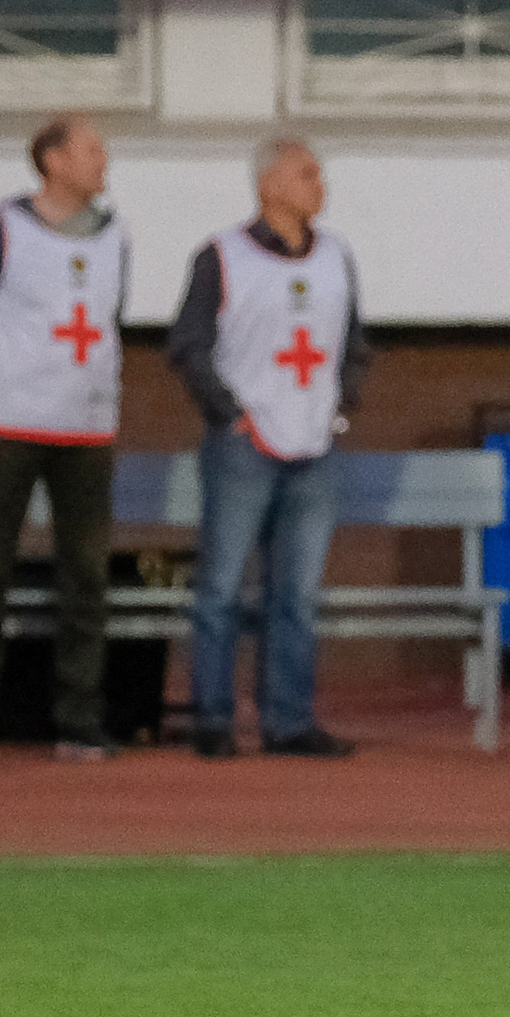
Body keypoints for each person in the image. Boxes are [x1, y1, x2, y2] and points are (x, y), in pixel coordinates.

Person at [167, 138, 369, 760]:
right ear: (270, 185)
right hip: (245, 446)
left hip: (315, 444)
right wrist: (229, 415)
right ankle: (213, 718)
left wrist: (342, 402)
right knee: (221, 588)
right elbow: (188, 344)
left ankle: (288, 720)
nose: (320, 185)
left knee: (297, 595)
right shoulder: (222, 257)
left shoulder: (336, 256)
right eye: (307, 174)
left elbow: (353, 341)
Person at [0, 114, 129, 765]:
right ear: (53, 160)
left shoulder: (116, 236)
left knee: (86, 575)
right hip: (6, 423)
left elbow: (109, 319)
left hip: (86, 426)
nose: (103, 160)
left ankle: (79, 721)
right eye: (92, 150)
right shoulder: (1, 231)